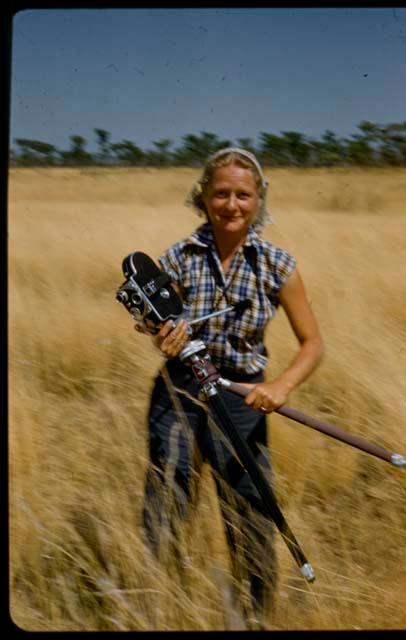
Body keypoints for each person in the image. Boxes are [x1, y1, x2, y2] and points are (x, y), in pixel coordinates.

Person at [134, 147, 324, 625]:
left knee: (250, 513)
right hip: (178, 395)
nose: (232, 205)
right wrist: (163, 335)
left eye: (243, 194)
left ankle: (254, 617)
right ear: (203, 197)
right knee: (165, 506)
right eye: (221, 193)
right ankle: (158, 608)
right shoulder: (176, 258)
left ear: (259, 199)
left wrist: (280, 387)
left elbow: (313, 344)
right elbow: (156, 322)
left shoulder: (278, 264)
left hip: (244, 399)